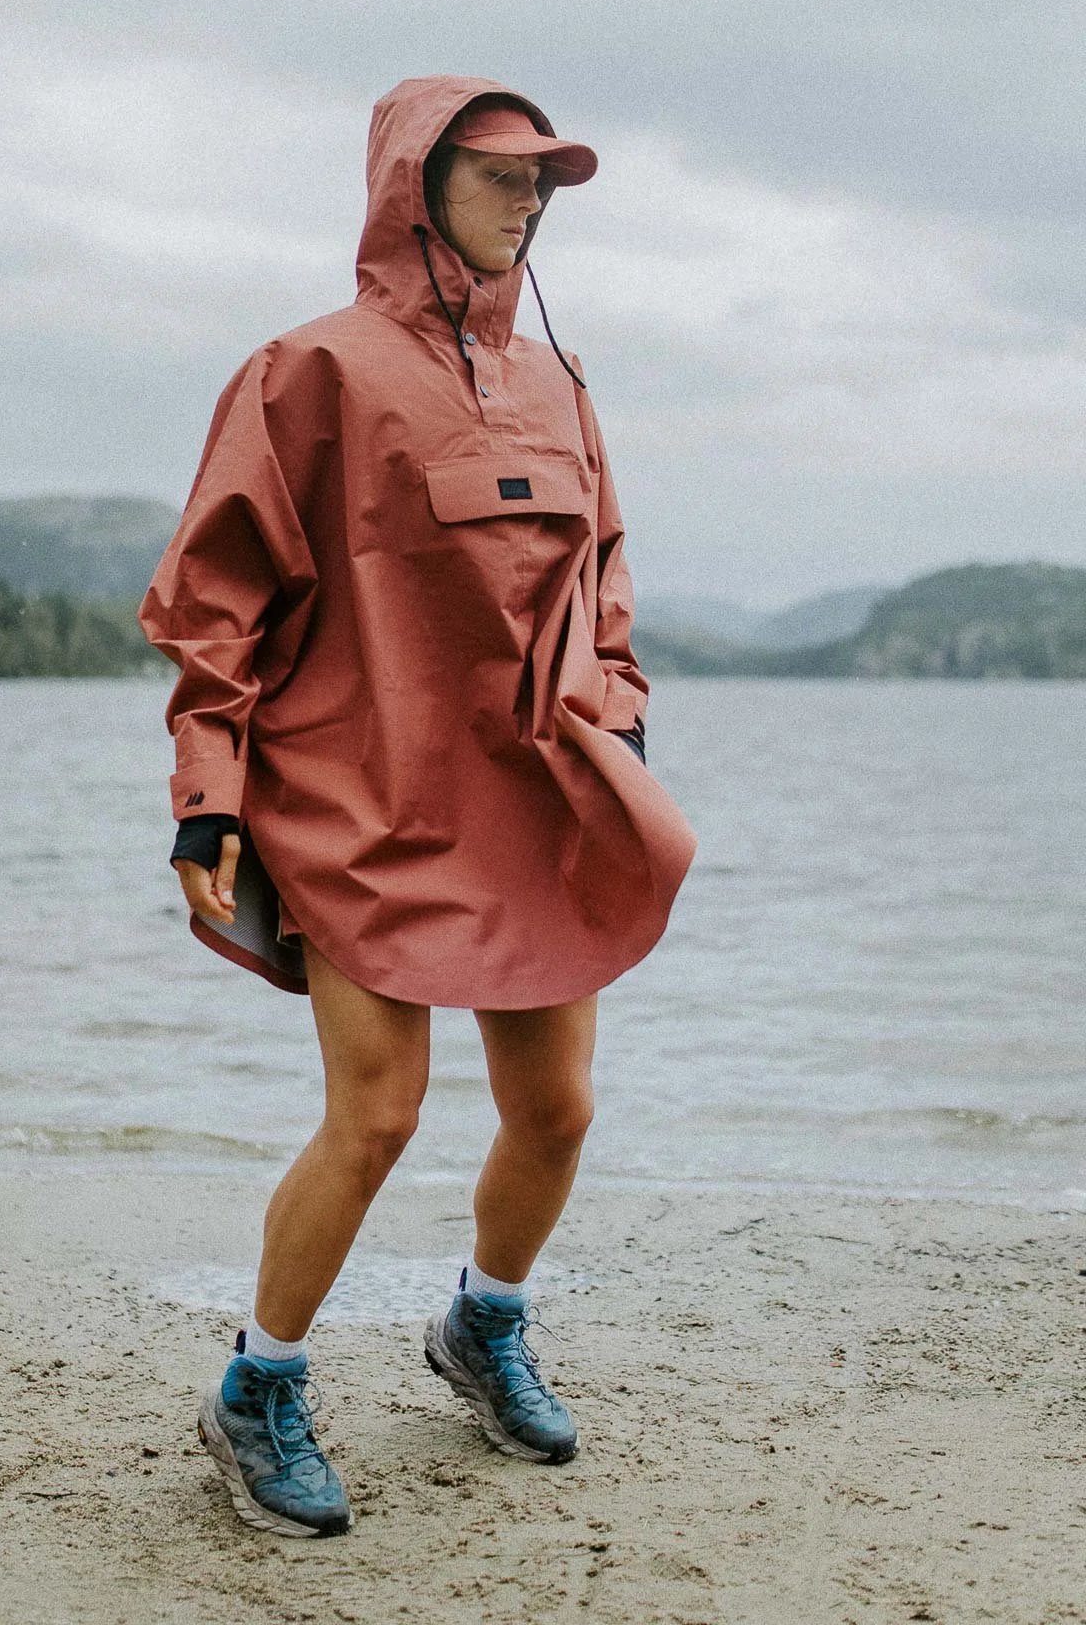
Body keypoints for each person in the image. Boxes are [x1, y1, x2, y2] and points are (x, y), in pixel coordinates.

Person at [138, 75, 697, 1538]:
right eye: (503, 174)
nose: (531, 201)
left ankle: (483, 1324)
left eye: (543, 180)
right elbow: (215, 603)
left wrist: (619, 722)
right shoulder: (306, 371)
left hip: (535, 801)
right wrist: (208, 796)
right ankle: (259, 1385)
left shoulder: (562, 385)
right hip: (357, 797)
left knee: (558, 1110)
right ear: (417, 180)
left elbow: (603, 580)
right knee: (378, 1113)